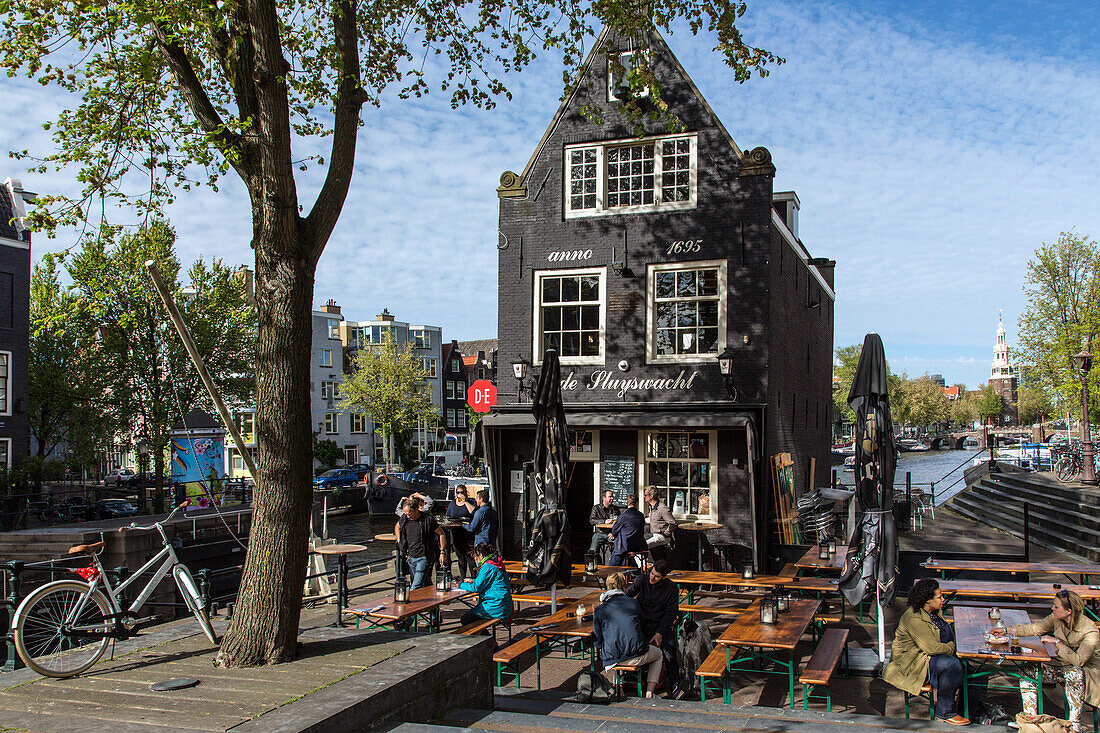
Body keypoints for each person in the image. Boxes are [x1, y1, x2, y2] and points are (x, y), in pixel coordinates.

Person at [993, 589, 1100, 733]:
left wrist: (1056, 642)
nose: (1052, 609)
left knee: (1074, 673)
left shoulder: (1090, 631)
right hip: (1061, 665)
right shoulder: (1056, 618)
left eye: (1056, 607)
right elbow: (1036, 628)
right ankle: (1030, 721)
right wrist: (1007, 631)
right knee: (1027, 671)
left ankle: (1074, 724)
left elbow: (1079, 661)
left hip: (1086, 673)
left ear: (1068, 611)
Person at [883, 578, 969, 726]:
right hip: (913, 663)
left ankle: (969, 711)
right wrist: (952, 647)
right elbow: (932, 648)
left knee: (970, 670)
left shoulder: (934, 612)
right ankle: (944, 712)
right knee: (952, 665)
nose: (943, 600)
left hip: (930, 658)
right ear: (927, 600)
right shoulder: (914, 618)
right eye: (939, 597)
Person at [593, 571, 663, 698]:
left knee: (612, 646)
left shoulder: (600, 609)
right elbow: (641, 626)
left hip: (611, 658)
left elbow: (598, 638)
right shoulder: (633, 603)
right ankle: (649, 692)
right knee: (658, 655)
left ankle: (618, 687)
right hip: (635, 654)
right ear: (624, 586)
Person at [626, 559, 681, 695]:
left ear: (664, 577)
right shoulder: (642, 580)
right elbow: (627, 595)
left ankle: (675, 684)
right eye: (652, 573)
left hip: (660, 625)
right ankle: (627, 681)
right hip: (642, 625)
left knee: (669, 654)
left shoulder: (671, 588)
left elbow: (671, 614)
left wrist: (660, 633)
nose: (652, 577)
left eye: (656, 576)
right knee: (632, 649)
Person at [394, 496, 448, 590]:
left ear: (416, 510)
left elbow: (441, 533)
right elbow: (397, 526)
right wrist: (399, 540)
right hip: (410, 556)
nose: (408, 515)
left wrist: (442, 552)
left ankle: (408, 600)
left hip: (424, 556)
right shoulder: (404, 518)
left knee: (416, 585)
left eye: (410, 513)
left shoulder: (427, 519)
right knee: (424, 583)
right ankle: (432, 601)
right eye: (406, 513)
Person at [457, 543, 513, 626]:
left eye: (476, 557)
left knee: (465, 619)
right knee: (473, 619)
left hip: (495, 605)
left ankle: (487, 638)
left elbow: (476, 588)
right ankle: (486, 637)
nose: (476, 560)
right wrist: (473, 580)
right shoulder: (495, 563)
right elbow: (485, 581)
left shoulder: (487, 567)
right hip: (504, 604)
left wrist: (460, 584)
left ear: (480, 555)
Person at [446, 485, 477, 581]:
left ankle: (474, 578)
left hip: (468, 534)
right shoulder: (453, 503)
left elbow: (474, 513)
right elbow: (448, 516)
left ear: (465, 492)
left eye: (462, 492)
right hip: (456, 533)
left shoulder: (471, 502)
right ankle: (463, 579)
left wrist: (465, 502)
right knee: (461, 558)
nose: (459, 494)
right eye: (458, 492)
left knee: (470, 558)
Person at [608, 495, 647, 567]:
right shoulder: (641, 516)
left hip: (624, 547)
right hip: (638, 546)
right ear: (636, 504)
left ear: (627, 503)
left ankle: (610, 572)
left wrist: (613, 534)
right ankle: (625, 572)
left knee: (618, 546)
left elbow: (614, 530)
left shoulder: (623, 516)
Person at [643, 486, 677, 554]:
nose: (644, 496)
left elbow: (673, 523)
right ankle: (644, 564)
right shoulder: (651, 507)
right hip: (654, 534)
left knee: (642, 547)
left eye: (645, 495)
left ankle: (642, 564)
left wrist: (665, 534)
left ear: (651, 496)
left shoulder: (662, 508)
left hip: (662, 536)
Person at [589, 490, 621, 556]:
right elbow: (592, 520)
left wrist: (613, 533)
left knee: (621, 547)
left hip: (611, 533)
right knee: (592, 551)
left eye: (612, 496)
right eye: (610, 497)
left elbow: (620, 522)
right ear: (604, 498)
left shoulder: (615, 509)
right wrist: (604, 521)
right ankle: (594, 564)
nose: (612, 498)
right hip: (600, 533)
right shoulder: (596, 508)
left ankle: (615, 564)